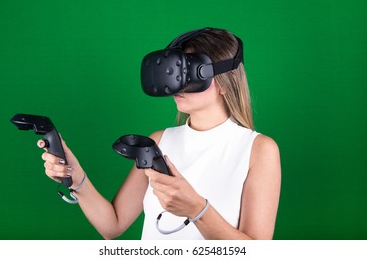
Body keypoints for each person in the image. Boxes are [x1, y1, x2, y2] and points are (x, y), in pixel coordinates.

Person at [38, 28, 281, 240]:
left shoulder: (258, 149)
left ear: (225, 82)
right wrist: (76, 174)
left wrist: (197, 209)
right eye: (174, 72)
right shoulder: (159, 141)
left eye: (189, 73)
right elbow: (112, 225)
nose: (176, 84)